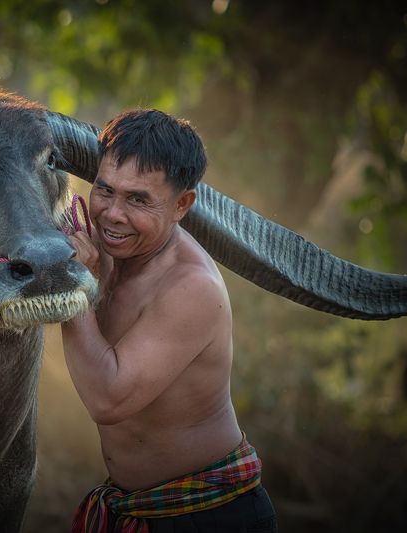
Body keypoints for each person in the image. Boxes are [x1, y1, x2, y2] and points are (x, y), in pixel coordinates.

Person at [61, 109, 277, 532]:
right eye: (105, 190)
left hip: (211, 515)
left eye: (138, 199)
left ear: (182, 204)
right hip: (136, 507)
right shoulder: (103, 243)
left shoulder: (191, 287)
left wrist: (76, 286)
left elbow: (109, 399)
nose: (112, 214)